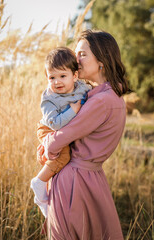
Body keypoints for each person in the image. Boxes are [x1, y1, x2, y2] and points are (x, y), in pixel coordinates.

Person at [37, 29, 129, 239]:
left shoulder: (101, 101)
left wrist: (45, 138)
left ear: (102, 60)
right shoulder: (108, 96)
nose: (76, 59)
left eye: (83, 54)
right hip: (90, 178)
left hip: (75, 182)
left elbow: (55, 144)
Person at [30, 47, 91, 218]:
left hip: (63, 130)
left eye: (62, 76)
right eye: (52, 77)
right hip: (48, 129)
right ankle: (40, 182)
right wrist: (72, 111)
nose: (57, 82)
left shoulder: (81, 88)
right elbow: (55, 124)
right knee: (63, 156)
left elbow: (91, 96)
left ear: (75, 76)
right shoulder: (48, 99)